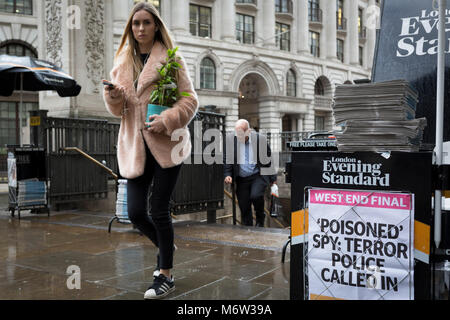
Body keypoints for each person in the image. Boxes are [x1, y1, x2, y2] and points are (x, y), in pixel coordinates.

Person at [102, 2, 198, 299]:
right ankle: (166, 248)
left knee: (158, 210)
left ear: (156, 25)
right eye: (135, 24)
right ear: (130, 28)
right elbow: (117, 110)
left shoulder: (171, 58)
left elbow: (190, 101)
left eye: (146, 23)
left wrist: (168, 119)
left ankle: (165, 274)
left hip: (168, 146)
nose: (140, 28)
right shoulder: (122, 62)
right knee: (134, 212)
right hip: (134, 147)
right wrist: (114, 96)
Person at [224, 119, 277, 227]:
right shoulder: (231, 140)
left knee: (256, 196)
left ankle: (260, 218)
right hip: (241, 178)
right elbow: (227, 159)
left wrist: (273, 179)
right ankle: (247, 228)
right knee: (244, 205)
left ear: (248, 131)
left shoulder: (260, 140)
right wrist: (227, 174)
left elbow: (268, 160)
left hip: (257, 176)